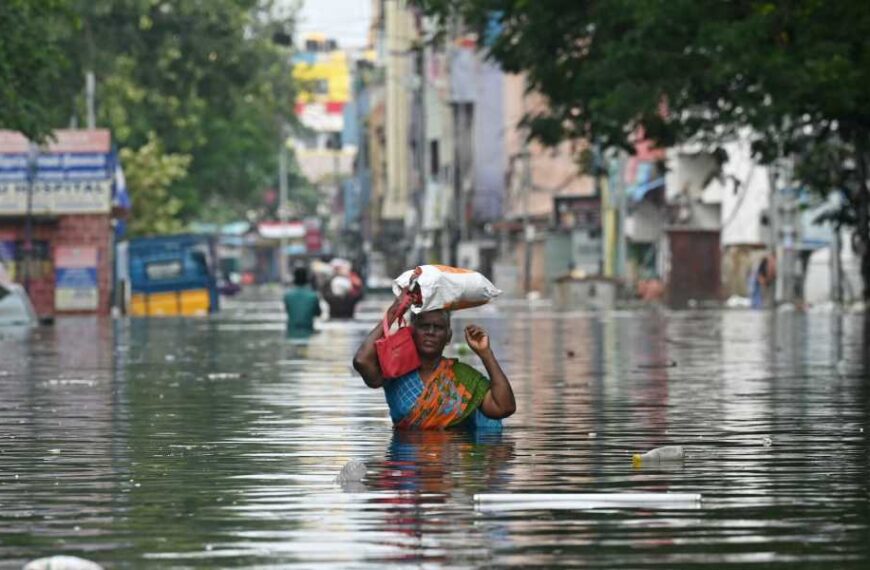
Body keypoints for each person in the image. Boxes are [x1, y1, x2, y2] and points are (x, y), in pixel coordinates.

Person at [352, 289, 516, 430]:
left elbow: (504, 407)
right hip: (404, 456)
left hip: (453, 454)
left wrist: (485, 353)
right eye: (424, 326)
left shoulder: (463, 377)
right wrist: (394, 310)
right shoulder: (395, 372)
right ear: (411, 332)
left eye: (438, 327)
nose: (431, 332)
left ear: (448, 336)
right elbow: (362, 361)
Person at [283, 266, 321, 336]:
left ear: (294, 278)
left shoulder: (287, 296)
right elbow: (318, 314)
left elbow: (287, 310)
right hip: (308, 330)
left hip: (291, 331)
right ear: (307, 279)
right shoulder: (313, 296)